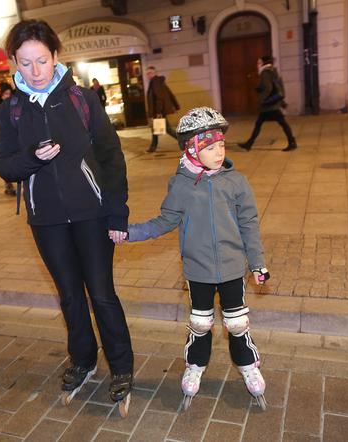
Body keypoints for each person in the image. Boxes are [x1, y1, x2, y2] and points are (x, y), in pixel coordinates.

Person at [0, 19, 134, 415]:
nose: (35, 72)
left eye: (41, 60)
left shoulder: (82, 99)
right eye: (25, 63)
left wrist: (117, 213)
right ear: (14, 63)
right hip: (47, 221)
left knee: (102, 294)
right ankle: (84, 360)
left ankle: (121, 366)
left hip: (92, 216)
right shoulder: (12, 110)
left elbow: (110, 156)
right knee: (70, 296)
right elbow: (4, 166)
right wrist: (29, 159)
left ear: (56, 56)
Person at [119, 107, 270, 411]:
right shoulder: (181, 186)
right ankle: (195, 366)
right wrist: (129, 233)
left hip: (231, 268)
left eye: (221, 145)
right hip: (198, 271)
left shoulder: (236, 182)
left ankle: (248, 366)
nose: (219, 152)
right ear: (192, 148)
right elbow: (164, 221)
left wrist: (257, 263)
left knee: (237, 322)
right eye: (210, 147)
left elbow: (249, 225)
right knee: (200, 323)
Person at [239, 56, 297, 152]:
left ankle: (292, 142)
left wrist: (262, 99)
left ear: (263, 63)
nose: (257, 65)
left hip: (269, 105)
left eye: (259, 63)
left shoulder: (265, 73)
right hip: (273, 104)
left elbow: (268, 88)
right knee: (273, 123)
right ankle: (249, 143)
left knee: (270, 123)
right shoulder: (273, 71)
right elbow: (275, 87)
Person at [145, 66, 180, 153]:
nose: (149, 75)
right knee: (156, 129)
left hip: (159, 111)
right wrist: (176, 105)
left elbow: (159, 98)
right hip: (159, 111)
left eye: (150, 73)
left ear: (155, 73)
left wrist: (158, 112)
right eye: (147, 74)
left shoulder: (155, 82)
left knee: (167, 129)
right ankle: (153, 147)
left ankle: (185, 141)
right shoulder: (159, 82)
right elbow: (169, 93)